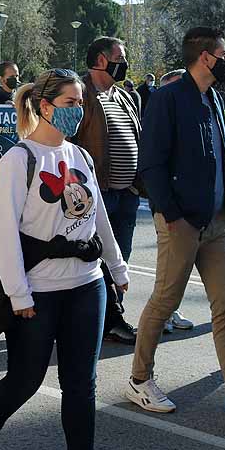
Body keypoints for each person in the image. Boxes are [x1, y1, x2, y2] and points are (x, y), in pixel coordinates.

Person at [0, 69, 127, 450]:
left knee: (82, 383)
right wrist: (19, 295)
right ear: (45, 106)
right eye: (71, 103)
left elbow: (100, 220)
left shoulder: (81, 156)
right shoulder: (18, 160)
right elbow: (3, 236)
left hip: (86, 286)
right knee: (25, 379)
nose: (80, 110)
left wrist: (116, 266)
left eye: (82, 103)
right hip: (39, 291)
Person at [126, 27, 225, 429]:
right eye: (224, 53)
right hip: (182, 223)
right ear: (206, 57)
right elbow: (151, 164)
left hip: (217, 223)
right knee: (165, 300)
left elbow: (217, 154)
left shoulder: (213, 96)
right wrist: (172, 216)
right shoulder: (166, 99)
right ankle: (140, 379)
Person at [74, 37, 164, 348]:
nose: (123, 63)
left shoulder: (126, 97)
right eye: (119, 57)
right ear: (100, 60)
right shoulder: (79, 95)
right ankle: (105, 320)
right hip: (96, 195)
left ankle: (108, 318)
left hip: (126, 194)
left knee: (119, 261)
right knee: (94, 261)